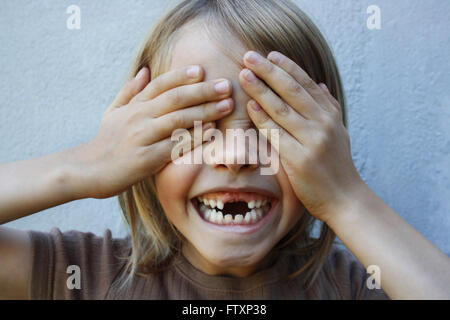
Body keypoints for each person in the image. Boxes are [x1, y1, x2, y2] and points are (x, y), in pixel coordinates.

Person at [1, 0, 449, 300]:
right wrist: (80, 166)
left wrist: (347, 198)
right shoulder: (82, 275)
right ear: (135, 154)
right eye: (194, 127)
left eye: (271, 125)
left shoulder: (359, 286)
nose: (234, 155)